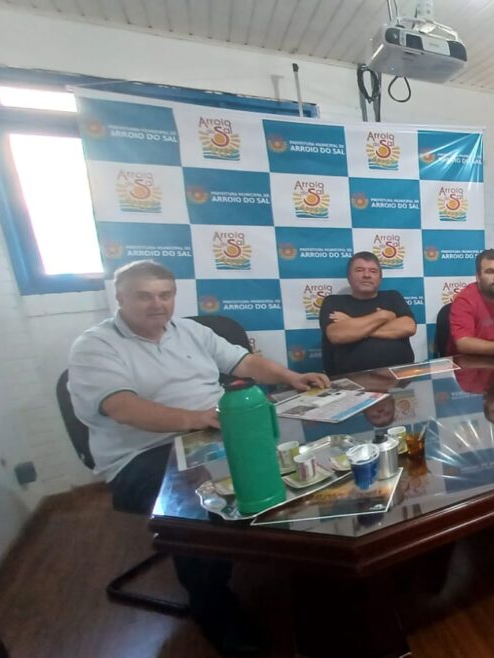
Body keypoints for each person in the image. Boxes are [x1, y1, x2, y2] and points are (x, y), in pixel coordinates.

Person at [67, 260, 330, 656]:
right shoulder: (95, 346)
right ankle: (213, 607)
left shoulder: (190, 331)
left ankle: (293, 561)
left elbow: (244, 362)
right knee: (198, 505)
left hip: (216, 432)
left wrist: (291, 377)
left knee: (297, 460)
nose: (157, 304)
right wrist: (197, 419)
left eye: (165, 295)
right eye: (144, 296)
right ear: (120, 298)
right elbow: (121, 407)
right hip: (145, 453)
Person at [319, 251, 417, 375]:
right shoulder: (333, 301)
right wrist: (383, 316)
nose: (366, 275)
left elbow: (408, 327)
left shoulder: (393, 297)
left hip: (400, 376)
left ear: (380, 277)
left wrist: (353, 325)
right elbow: (337, 335)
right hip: (350, 380)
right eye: (359, 270)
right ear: (349, 277)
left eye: (373, 271)